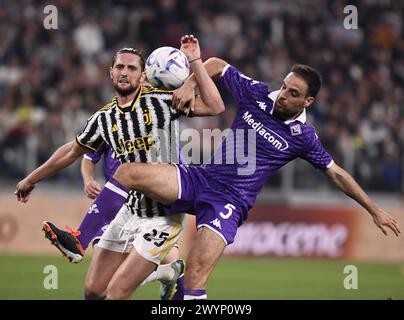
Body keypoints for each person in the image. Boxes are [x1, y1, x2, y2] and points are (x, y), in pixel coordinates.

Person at [27, 35, 401, 300]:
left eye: (291, 92)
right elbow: (218, 66)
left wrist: (373, 209)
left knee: (195, 278)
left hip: (230, 202)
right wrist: (191, 78)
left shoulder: (304, 136)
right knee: (126, 170)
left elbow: (336, 172)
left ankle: (172, 281)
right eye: (284, 85)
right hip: (201, 178)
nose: (282, 93)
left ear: (308, 100)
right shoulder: (257, 94)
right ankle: (83, 239)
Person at [15, 39, 225, 300]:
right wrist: (31, 179)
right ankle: (171, 274)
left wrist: (193, 73)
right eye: (120, 67)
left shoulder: (162, 100)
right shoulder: (103, 118)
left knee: (116, 293)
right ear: (111, 72)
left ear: (143, 75)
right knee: (93, 290)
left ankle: (80, 239)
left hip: (162, 215)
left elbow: (216, 106)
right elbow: (71, 152)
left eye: (132, 68)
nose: (125, 72)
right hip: (129, 211)